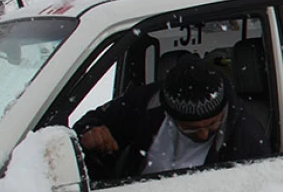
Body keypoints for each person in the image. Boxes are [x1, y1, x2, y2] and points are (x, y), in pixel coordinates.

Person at [73, 54, 271, 181]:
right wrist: (90, 132)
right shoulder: (147, 102)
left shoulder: (247, 137)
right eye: (190, 129)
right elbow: (92, 121)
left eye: (212, 125)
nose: (203, 135)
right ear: (169, 114)